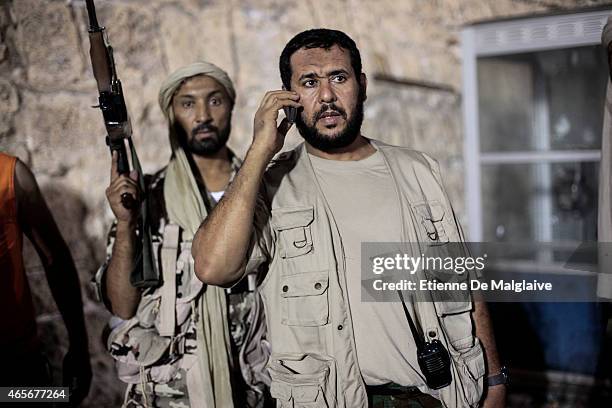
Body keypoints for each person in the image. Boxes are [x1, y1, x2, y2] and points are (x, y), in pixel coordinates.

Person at [192, 29, 506, 407]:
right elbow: (212, 267)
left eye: (338, 78)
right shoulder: (271, 186)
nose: (326, 96)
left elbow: (462, 281)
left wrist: (495, 380)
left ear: (362, 85)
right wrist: (259, 150)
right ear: (289, 99)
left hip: (434, 398)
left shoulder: (419, 172)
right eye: (309, 83)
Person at [95, 62, 270, 407]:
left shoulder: (262, 190)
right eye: (188, 104)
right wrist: (128, 223)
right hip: (173, 392)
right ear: (172, 115)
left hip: (254, 383)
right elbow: (122, 304)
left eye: (214, 101)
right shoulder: (148, 197)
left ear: (231, 106)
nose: (203, 115)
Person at [0, 152, 91, 405]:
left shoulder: (11, 175)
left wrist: (79, 347)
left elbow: (56, 260)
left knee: (53, 398)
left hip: (16, 371)